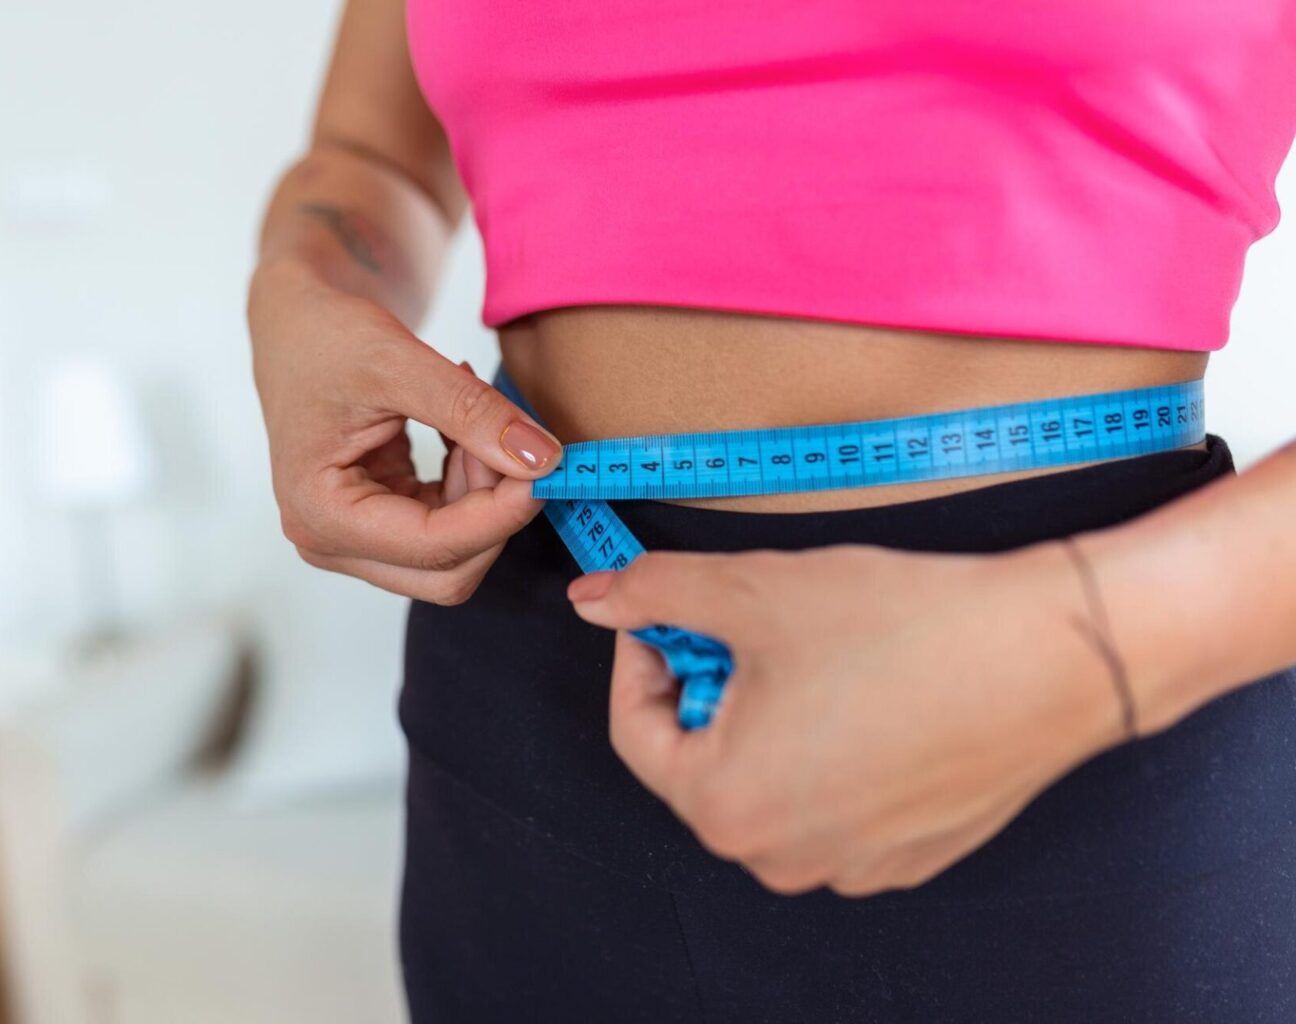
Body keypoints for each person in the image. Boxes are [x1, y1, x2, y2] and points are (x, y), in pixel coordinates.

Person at [248, 0, 1296, 1019]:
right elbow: (371, 160)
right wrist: (300, 286)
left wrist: (1093, 637)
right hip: (530, 683)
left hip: (1084, 702)